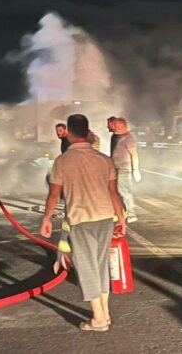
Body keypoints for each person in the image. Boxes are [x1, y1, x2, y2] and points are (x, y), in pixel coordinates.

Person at [41, 114, 126, 332]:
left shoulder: (61, 162)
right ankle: (104, 313)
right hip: (105, 218)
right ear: (88, 133)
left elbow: (54, 195)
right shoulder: (104, 160)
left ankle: (98, 320)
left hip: (81, 220)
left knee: (87, 268)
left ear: (68, 133)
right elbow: (114, 193)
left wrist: (47, 218)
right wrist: (122, 219)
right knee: (99, 266)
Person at [111, 118, 142, 223]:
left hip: (124, 169)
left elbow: (134, 154)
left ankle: (131, 214)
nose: (115, 128)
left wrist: (135, 169)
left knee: (125, 192)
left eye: (117, 126)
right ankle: (122, 213)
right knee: (118, 192)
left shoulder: (129, 138)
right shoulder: (118, 137)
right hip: (117, 169)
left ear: (122, 126)